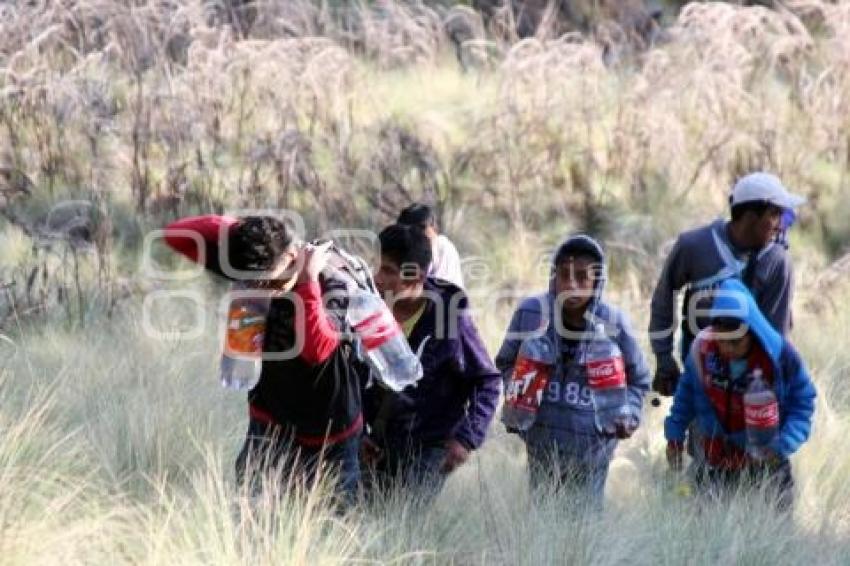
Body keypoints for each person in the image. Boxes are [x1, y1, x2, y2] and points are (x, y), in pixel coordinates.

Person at [163, 214, 368, 500]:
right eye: (253, 286)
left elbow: (318, 349)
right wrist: (242, 231)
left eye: (271, 284)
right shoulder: (251, 275)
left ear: (292, 255)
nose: (263, 294)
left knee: (335, 523)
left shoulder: (329, 281)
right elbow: (177, 233)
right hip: (270, 421)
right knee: (251, 515)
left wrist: (307, 281)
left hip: (330, 434)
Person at [495, 234, 650, 503]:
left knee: (584, 522)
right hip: (541, 441)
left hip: (593, 447)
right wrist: (518, 398)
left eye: (582, 277)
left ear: (597, 282)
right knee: (542, 515)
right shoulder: (531, 313)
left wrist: (630, 416)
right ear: (553, 277)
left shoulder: (613, 322)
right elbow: (506, 362)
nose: (572, 286)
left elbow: (639, 379)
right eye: (564, 276)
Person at [362, 223, 500, 495]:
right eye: (376, 266)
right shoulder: (366, 311)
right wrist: (358, 431)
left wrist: (466, 439)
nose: (376, 278)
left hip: (427, 448)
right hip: (373, 444)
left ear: (417, 276)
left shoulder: (449, 319)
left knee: (405, 527)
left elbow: (488, 382)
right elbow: (353, 376)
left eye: (388, 270)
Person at [649, 172, 807, 397]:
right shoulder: (694, 246)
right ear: (751, 217)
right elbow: (664, 297)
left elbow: (776, 334)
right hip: (700, 381)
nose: (781, 226)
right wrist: (664, 359)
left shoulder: (777, 262)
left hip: (752, 387)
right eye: (774, 215)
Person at [664, 279, 816, 511]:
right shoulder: (702, 350)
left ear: (752, 331)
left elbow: (803, 403)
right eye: (721, 340)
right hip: (714, 463)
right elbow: (686, 395)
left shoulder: (780, 357)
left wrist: (783, 444)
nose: (727, 349)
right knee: (702, 534)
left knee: (773, 534)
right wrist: (674, 433)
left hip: (767, 466)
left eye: (735, 342)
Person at [397, 203, 465, 288]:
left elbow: (438, 287)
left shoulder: (441, 247)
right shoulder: (408, 250)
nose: (416, 235)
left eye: (421, 228)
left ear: (432, 228)